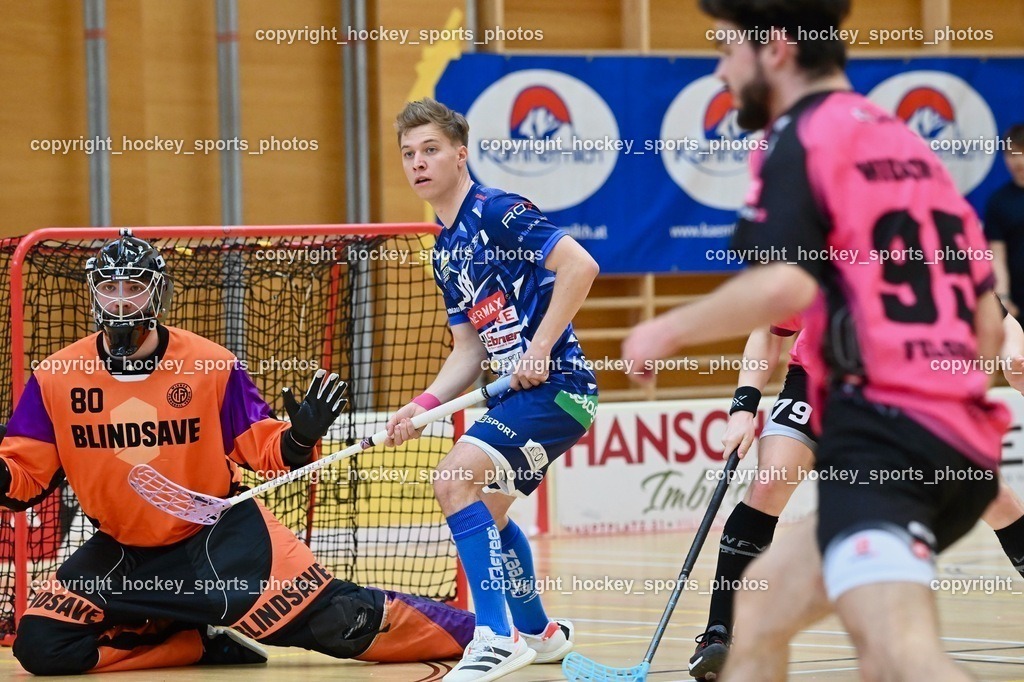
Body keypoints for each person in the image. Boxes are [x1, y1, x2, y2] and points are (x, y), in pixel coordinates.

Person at [622, 0, 1011, 678]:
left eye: (724, 49)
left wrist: (665, 329)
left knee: (899, 652)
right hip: (958, 435)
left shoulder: (800, 137)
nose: (718, 73)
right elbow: (984, 319)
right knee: (760, 617)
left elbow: (783, 289)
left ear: (774, 48)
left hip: (886, 435)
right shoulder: (907, 147)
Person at [0, 231, 475, 675]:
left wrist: (298, 437)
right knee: (41, 644)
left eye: (135, 288)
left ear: (158, 294)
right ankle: (193, 641)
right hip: (125, 552)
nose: (122, 300)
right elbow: (25, 479)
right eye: (109, 289)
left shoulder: (210, 364)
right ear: (93, 296)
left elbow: (262, 450)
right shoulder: (55, 377)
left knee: (345, 622)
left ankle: (496, 633)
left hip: (219, 540)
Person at [389, 97, 600, 681]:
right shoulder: (445, 250)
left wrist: (540, 347)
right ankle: (539, 632)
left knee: (454, 479)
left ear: (461, 155)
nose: (418, 163)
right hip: (514, 395)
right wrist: (422, 407)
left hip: (558, 388)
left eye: (430, 150)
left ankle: (494, 636)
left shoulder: (500, 211)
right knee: (488, 508)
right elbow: (470, 351)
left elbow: (580, 266)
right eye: (408, 154)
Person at [690, 313, 1024, 681]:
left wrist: (1013, 355)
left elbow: (1000, 318)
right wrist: (743, 408)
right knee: (769, 482)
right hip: (818, 385)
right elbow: (766, 331)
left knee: (995, 499)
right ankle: (716, 636)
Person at [985, 124, 1024, 322]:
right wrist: (1004, 299)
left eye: (1022, 152)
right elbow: (996, 254)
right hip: (1017, 304)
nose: (1017, 161)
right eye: (1011, 154)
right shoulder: (999, 201)